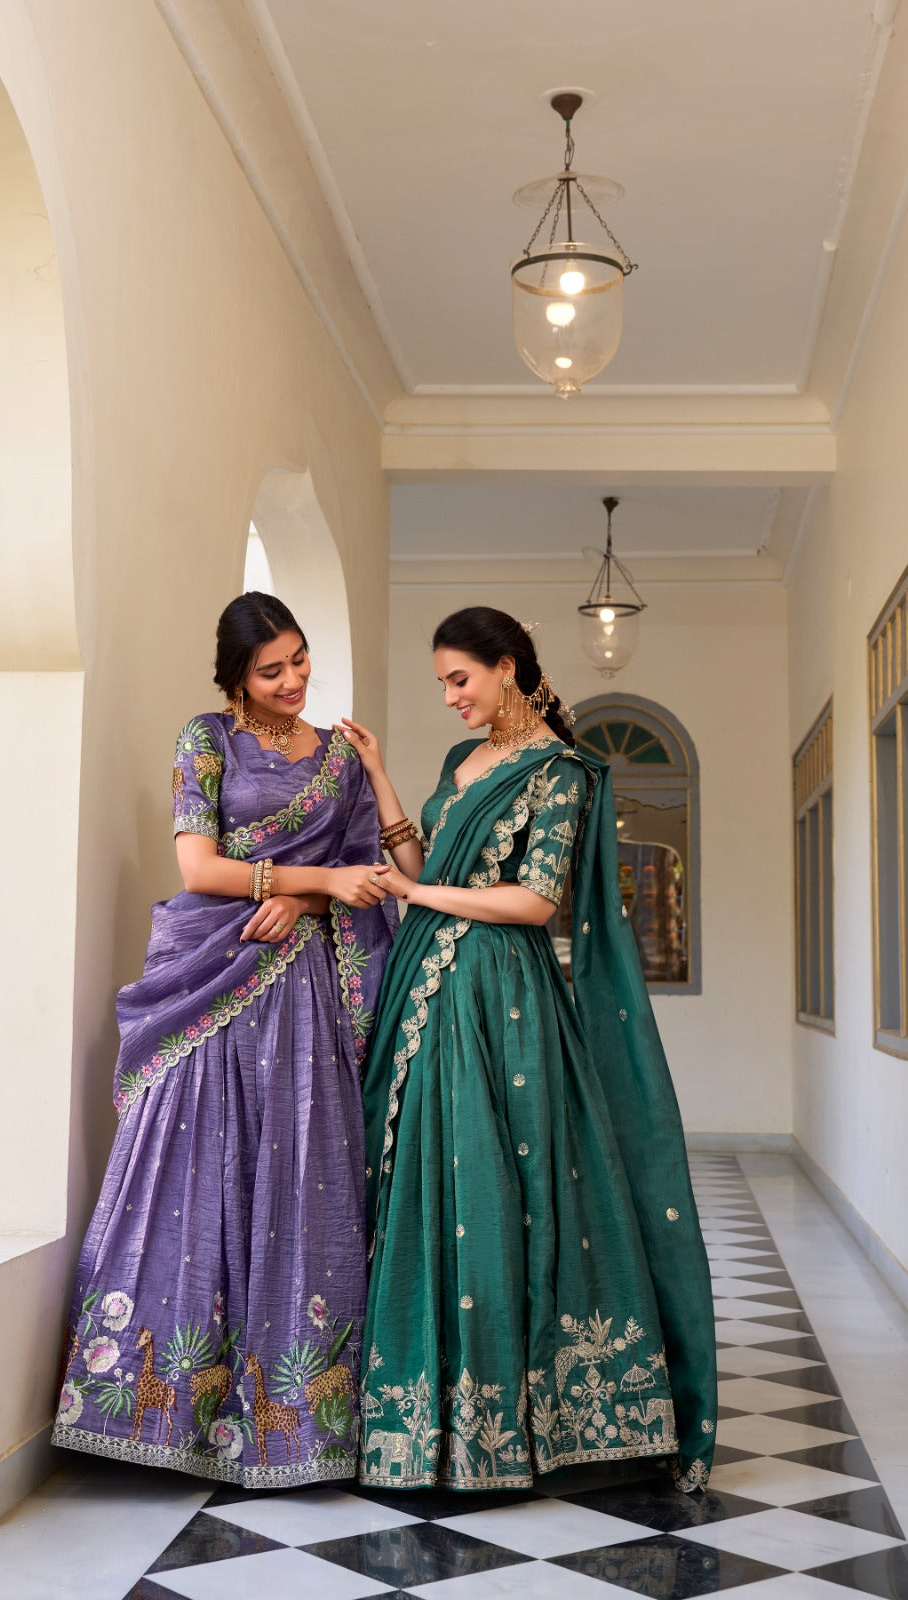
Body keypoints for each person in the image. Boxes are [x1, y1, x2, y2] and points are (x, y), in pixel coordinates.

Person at [339, 605, 716, 1494]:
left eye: (460, 678)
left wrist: (419, 898)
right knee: (423, 1178)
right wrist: (380, 776)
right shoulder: (460, 763)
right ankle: (421, 1417)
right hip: (428, 992)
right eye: (442, 683)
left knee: (497, 1181)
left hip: (500, 996)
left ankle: (515, 1421)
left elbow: (535, 902)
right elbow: (426, 867)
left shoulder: (563, 771)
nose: (450, 697)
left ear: (506, 667)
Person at [52, 592, 395, 1488]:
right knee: (187, 1164)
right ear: (236, 678)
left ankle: (295, 1428)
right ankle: (156, 1415)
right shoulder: (206, 741)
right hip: (215, 972)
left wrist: (307, 900)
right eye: (270, 670)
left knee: (300, 1173)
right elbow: (198, 867)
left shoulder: (338, 760)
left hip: (304, 989)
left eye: (299, 659)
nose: (292, 680)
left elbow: (367, 880)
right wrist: (300, 881)